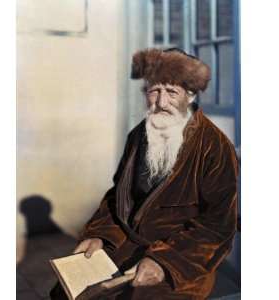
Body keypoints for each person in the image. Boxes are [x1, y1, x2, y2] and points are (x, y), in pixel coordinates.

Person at [50, 48, 238, 300]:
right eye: (154, 91)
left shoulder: (215, 147)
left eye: (172, 92)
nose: (161, 103)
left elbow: (217, 226)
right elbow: (119, 197)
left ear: (190, 95)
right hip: (130, 244)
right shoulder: (139, 134)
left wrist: (164, 262)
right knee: (67, 293)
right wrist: (100, 235)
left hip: (183, 261)